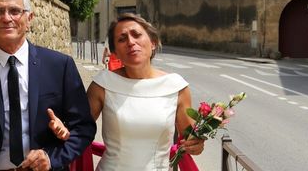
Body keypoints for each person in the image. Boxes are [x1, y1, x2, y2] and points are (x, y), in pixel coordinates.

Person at [0, 0, 96, 171]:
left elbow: (83, 128)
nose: (6, 18)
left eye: (14, 11)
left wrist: (51, 158)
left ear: (29, 19)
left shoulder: (59, 66)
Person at [51, 13, 205, 171]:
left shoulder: (176, 87)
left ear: (153, 43)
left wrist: (198, 144)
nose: (131, 42)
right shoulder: (103, 84)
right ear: (115, 52)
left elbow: (191, 142)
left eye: (137, 35)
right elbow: (80, 129)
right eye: (122, 39)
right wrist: (64, 130)